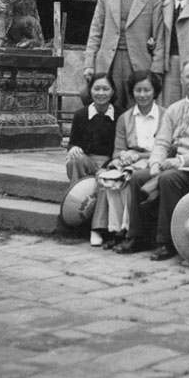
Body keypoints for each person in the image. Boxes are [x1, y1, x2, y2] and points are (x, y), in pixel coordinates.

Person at [114, 58, 189, 260]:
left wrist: (181, 161)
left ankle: (167, 241)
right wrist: (155, 163)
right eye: (188, 77)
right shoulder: (174, 108)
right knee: (138, 177)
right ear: (181, 79)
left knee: (167, 179)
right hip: (168, 164)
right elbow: (162, 142)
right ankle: (137, 236)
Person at [84, 0, 165, 110]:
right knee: (108, 105)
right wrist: (89, 64)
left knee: (136, 106)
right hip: (109, 60)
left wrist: (156, 70)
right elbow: (95, 31)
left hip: (138, 60)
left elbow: (159, 36)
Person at [92, 70, 163, 250]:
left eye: (147, 90)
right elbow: (117, 151)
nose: (142, 95)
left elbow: (166, 150)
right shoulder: (125, 118)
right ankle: (117, 231)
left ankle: (131, 233)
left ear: (155, 91)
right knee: (113, 178)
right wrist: (123, 156)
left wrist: (139, 156)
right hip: (129, 162)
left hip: (154, 162)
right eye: (138, 90)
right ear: (131, 92)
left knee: (131, 177)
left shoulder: (165, 115)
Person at [65, 73, 119, 247]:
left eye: (105, 89)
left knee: (107, 175)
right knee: (75, 159)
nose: (101, 93)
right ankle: (75, 210)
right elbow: (73, 142)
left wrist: (106, 166)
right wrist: (73, 148)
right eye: (97, 89)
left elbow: (119, 149)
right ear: (90, 91)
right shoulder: (81, 115)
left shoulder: (120, 115)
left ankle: (96, 227)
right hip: (87, 162)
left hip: (111, 162)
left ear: (113, 91)